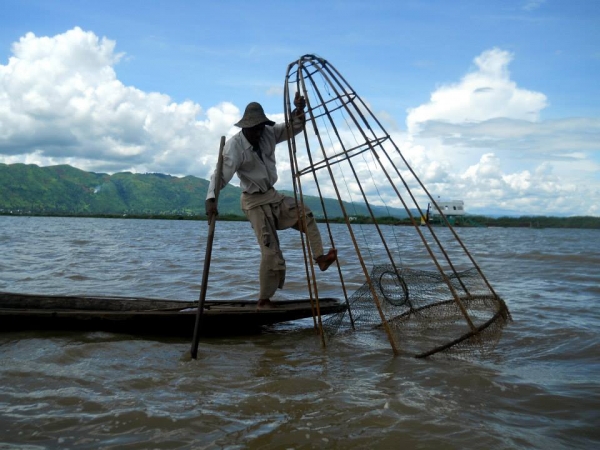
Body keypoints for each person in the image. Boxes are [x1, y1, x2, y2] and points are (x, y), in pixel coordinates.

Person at [205, 93, 337, 309]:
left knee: (306, 213)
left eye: (260, 127)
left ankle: (320, 257)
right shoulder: (234, 147)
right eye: (254, 129)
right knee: (271, 252)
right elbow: (220, 175)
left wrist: (298, 111)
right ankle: (264, 299)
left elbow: (291, 128)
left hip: (272, 195)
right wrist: (211, 199)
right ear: (245, 127)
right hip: (253, 202)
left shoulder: (268, 133)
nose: (258, 132)